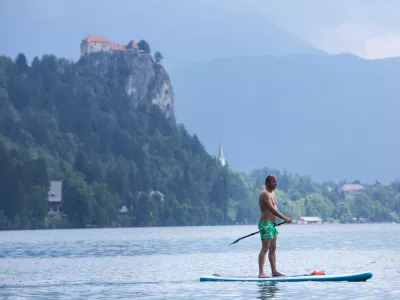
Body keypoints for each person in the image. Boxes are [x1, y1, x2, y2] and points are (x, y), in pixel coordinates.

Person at [258, 174, 292, 278]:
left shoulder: (272, 193)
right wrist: (285, 218)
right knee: (265, 248)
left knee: (273, 248)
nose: (275, 183)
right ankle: (261, 272)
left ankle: (274, 271)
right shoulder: (265, 194)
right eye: (273, 181)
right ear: (267, 183)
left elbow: (275, 209)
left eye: (276, 181)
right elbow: (272, 209)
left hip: (272, 224)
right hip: (266, 224)